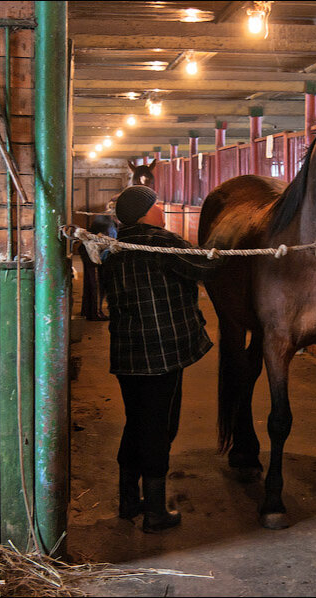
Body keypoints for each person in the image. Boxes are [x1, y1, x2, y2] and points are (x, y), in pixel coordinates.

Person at [99, 185, 218, 533]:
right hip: (162, 352)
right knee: (159, 428)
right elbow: (205, 267)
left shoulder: (116, 246)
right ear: (145, 212)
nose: (162, 209)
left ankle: (127, 500)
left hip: (126, 352)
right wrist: (228, 246)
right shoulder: (161, 241)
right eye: (157, 205)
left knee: (135, 421)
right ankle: (154, 512)